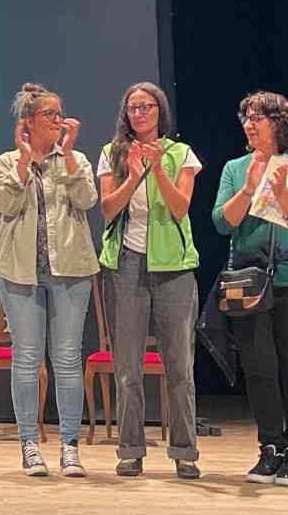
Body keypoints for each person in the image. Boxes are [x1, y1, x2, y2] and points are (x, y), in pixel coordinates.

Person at [213, 91, 288, 487]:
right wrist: (248, 189)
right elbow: (222, 223)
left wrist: (280, 191)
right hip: (250, 280)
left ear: (279, 123)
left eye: (258, 117)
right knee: (259, 368)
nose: (249, 123)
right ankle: (270, 447)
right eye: (245, 116)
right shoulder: (235, 167)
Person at [0, 83, 98, 477]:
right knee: (27, 358)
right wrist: (22, 162)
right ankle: (29, 445)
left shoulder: (76, 160)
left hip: (70, 270)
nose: (58, 120)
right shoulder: (5, 162)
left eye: (60, 113)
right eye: (50, 114)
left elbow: (87, 200)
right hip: (19, 272)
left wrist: (67, 156)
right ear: (29, 123)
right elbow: (4, 204)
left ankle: (70, 446)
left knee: (67, 359)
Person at [96, 82, 203, 479]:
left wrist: (157, 169)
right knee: (128, 367)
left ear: (160, 111)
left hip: (173, 266)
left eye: (147, 107)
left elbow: (180, 207)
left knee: (179, 365)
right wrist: (134, 176)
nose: (140, 114)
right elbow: (108, 209)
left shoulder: (181, 154)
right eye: (133, 108)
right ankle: (130, 449)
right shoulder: (112, 153)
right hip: (126, 264)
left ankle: (185, 450)